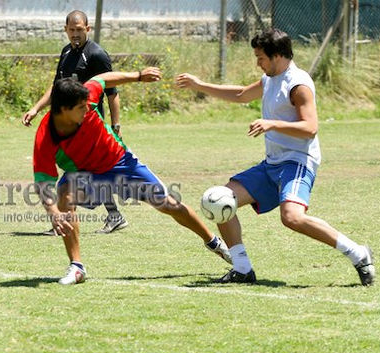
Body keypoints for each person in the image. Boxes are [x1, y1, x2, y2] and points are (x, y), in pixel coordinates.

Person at [176, 28, 375, 286]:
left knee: (292, 218)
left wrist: (272, 124)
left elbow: (310, 127)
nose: (258, 62)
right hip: (272, 164)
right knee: (220, 199)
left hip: (298, 162)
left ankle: (358, 253)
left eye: (261, 57)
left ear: (278, 55)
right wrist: (199, 85)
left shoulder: (298, 84)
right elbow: (240, 94)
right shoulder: (269, 78)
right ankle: (242, 268)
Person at [32, 67, 232, 285]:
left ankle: (214, 242)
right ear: (63, 109)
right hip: (85, 173)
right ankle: (77, 266)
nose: (86, 109)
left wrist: (138, 76)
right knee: (64, 195)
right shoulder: (46, 137)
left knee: (167, 204)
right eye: (80, 108)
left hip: (119, 162)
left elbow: (102, 79)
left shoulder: (86, 98)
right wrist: (53, 213)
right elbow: (43, 182)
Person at [23, 10, 128, 235]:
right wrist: (36, 108)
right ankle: (112, 214)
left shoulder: (97, 54)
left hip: (89, 126)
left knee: (78, 171)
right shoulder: (66, 52)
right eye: (71, 30)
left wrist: (116, 126)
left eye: (79, 29)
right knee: (81, 170)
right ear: (65, 30)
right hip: (66, 125)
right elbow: (55, 88)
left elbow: (112, 93)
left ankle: (64, 220)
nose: (75, 34)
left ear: (87, 29)